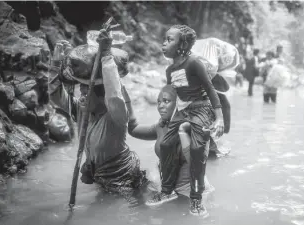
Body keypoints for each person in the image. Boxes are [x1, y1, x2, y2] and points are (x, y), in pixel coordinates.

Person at [48, 32, 147, 197]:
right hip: (100, 177)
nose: (81, 96)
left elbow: (114, 94)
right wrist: (56, 62)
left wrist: (107, 56)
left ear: (102, 97)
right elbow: (55, 95)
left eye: (86, 93)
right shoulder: (81, 111)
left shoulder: (116, 116)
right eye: (81, 91)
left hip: (124, 180)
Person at [151, 24, 224, 216]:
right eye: (165, 39)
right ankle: (167, 191)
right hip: (182, 110)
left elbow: (210, 89)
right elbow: (172, 95)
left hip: (202, 107)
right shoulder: (169, 71)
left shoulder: (193, 63)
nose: (164, 43)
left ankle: (196, 199)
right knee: (166, 144)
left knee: (197, 149)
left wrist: (219, 119)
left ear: (182, 44)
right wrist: (166, 118)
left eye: (169, 40)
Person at [123, 85, 215, 199]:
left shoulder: (189, 127)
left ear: (178, 103)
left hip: (189, 192)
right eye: (158, 102)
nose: (160, 106)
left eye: (166, 101)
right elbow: (133, 130)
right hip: (170, 190)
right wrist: (127, 102)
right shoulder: (161, 126)